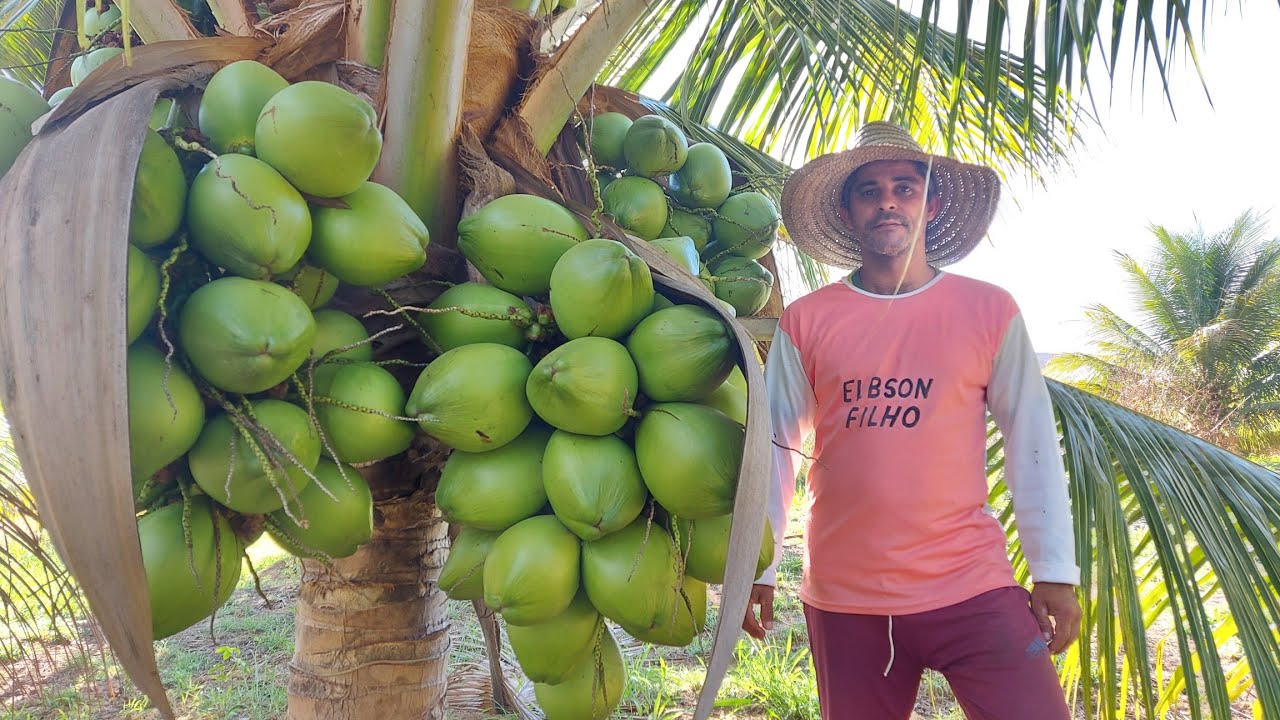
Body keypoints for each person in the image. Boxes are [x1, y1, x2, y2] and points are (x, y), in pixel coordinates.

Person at [742, 121, 1083, 720]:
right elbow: (775, 448)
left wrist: (1054, 569)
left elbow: (1032, 441)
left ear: (932, 204)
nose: (888, 202)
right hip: (847, 599)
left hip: (972, 586)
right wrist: (759, 565)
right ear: (848, 212)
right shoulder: (808, 319)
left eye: (905, 186)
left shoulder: (989, 310)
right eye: (869, 191)